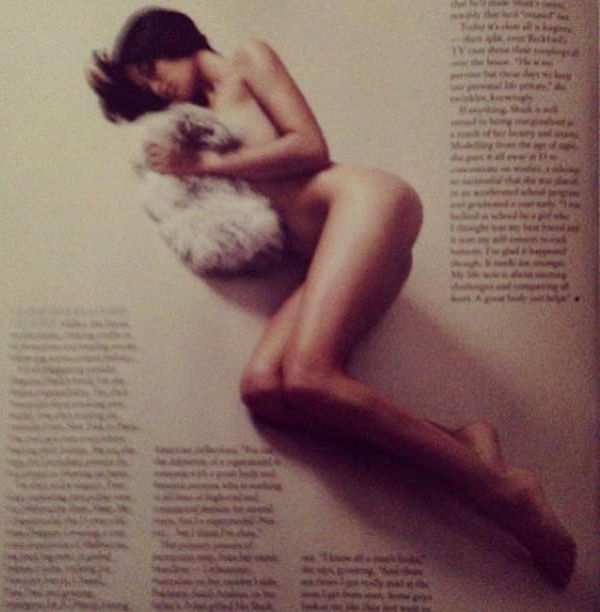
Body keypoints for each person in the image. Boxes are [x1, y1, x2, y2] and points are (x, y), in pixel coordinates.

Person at [87, 7, 576, 587]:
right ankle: (463, 441)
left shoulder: (247, 58)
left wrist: (207, 166)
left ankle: (508, 495)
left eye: (151, 68)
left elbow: (310, 146)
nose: (155, 86)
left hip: (363, 203)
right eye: (142, 82)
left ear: (171, 39)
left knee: (310, 375)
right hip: (334, 249)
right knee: (265, 389)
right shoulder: (196, 120)